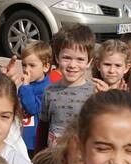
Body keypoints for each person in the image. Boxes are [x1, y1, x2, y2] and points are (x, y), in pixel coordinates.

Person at [35, 24, 97, 153]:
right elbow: (42, 129)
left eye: (80, 59)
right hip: (53, 162)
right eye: (67, 58)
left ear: (89, 62)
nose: (72, 65)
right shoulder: (49, 91)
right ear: (57, 57)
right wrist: (37, 159)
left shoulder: (94, 94)